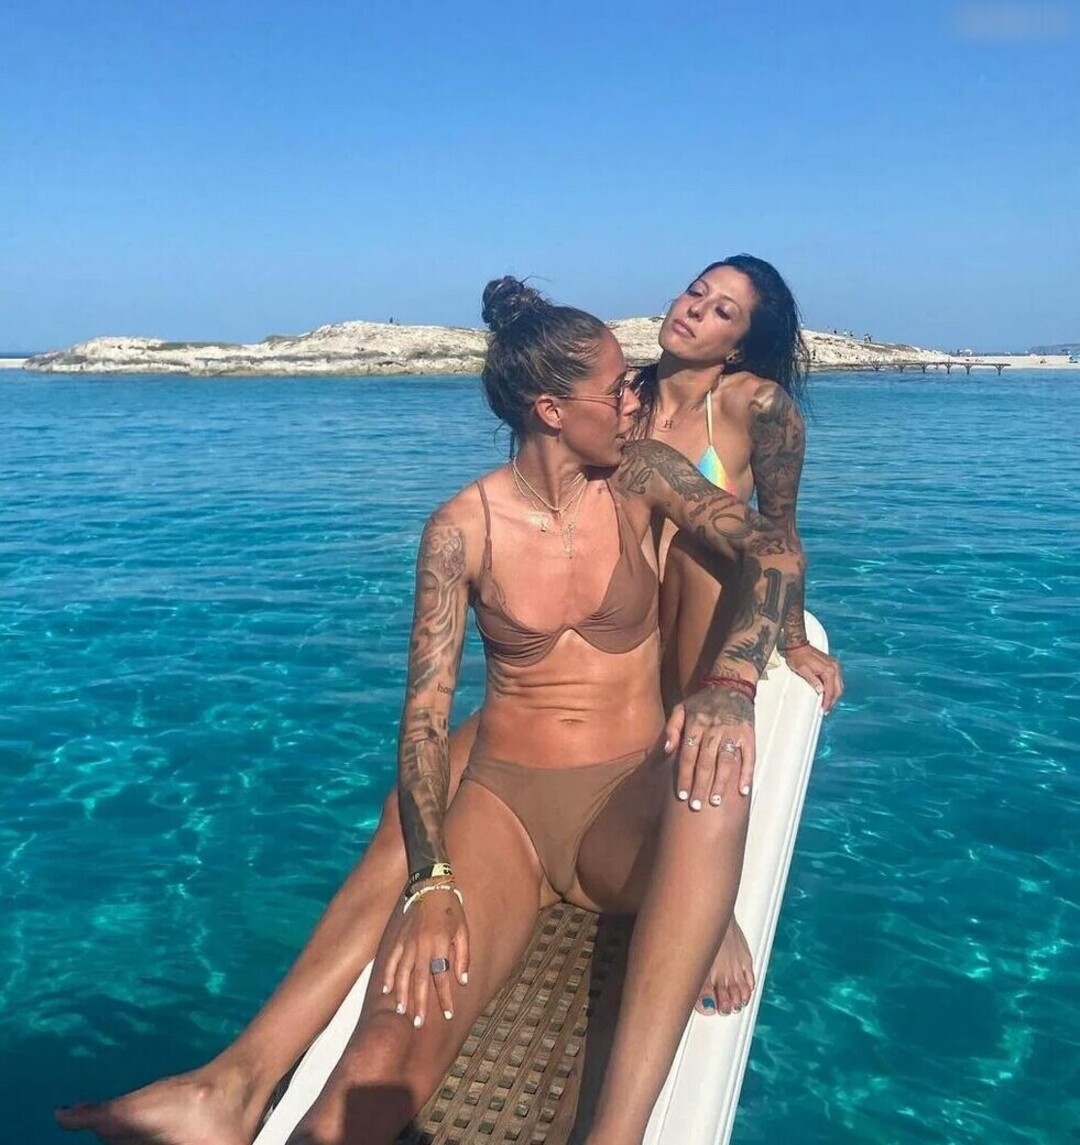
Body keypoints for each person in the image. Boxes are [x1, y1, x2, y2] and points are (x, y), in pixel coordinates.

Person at [57, 278, 800, 1145]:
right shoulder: (461, 528)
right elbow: (422, 724)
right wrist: (433, 878)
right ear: (553, 411)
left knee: (716, 778)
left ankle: (617, 1133)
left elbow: (772, 549)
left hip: (618, 811)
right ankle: (226, 1102)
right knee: (380, 1057)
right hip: (504, 815)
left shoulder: (642, 476)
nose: (636, 398)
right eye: (616, 390)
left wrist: (730, 683)